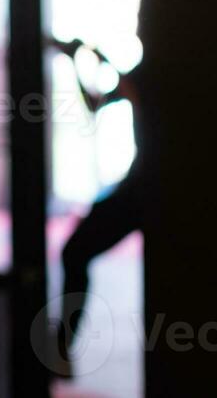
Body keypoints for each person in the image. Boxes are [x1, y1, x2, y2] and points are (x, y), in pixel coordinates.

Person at [52, 38, 144, 377]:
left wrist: (97, 60)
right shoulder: (139, 73)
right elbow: (95, 105)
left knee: (75, 252)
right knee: (74, 252)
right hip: (137, 188)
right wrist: (79, 62)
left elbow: (131, 91)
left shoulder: (158, 73)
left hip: (144, 190)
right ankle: (62, 345)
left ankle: (62, 345)